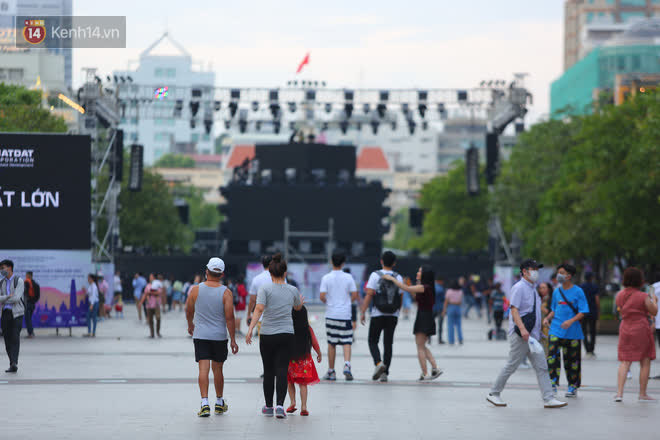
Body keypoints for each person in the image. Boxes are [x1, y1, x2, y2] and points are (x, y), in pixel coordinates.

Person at [487, 259, 567, 409]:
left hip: (532, 336)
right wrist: (523, 330)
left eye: (537, 269)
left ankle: (548, 398)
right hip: (521, 335)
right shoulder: (519, 288)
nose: (536, 272)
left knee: (542, 367)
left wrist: (538, 333)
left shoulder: (532, 288)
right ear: (524, 271)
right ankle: (494, 393)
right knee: (512, 365)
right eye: (533, 269)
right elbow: (514, 309)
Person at [246, 253, 304, 419]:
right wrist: (299, 302)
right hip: (286, 334)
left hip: (267, 334)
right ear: (285, 273)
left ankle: (269, 406)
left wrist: (250, 329)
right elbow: (298, 307)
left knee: (269, 370)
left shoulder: (265, 288)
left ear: (270, 274)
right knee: (282, 370)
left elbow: (259, 309)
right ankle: (280, 406)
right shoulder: (293, 289)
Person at [186, 257, 239, 417]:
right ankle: (219, 402)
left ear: (206, 271)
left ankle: (204, 403)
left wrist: (190, 325)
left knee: (203, 368)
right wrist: (233, 340)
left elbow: (189, 310)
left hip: (201, 335)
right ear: (222, 274)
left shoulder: (195, 290)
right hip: (219, 336)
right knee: (218, 370)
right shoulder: (226, 292)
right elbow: (230, 317)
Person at [384, 266, 443, 381]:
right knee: (422, 345)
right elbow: (415, 296)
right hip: (426, 316)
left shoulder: (424, 287)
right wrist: (413, 284)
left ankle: (425, 373)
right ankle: (435, 368)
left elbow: (405, 288)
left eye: (419, 271)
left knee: (420, 347)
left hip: (423, 317)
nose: (417, 272)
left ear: (424, 274)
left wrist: (392, 279)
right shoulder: (426, 287)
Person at [542, 264, 589, 398]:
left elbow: (583, 311)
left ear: (569, 276)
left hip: (572, 331)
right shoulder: (557, 291)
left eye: (562, 273)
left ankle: (572, 385)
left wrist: (570, 321)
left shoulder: (578, 291)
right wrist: (547, 318)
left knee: (572, 360)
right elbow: (554, 309)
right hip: (556, 329)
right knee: (552, 357)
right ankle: (552, 383)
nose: (559, 275)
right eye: (558, 273)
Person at [614, 267, 657, 402]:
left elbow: (620, 311)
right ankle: (642, 393)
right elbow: (654, 311)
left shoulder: (619, 295)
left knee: (625, 361)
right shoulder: (643, 296)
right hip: (641, 328)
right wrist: (654, 300)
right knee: (645, 360)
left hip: (625, 327)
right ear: (640, 280)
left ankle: (619, 393)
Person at [360, 251, 403, 383]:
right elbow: (401, 296)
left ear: (381, 261)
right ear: (394, 263)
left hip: (377, 313)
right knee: (388, 343)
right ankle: (385, 373)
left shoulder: (375, 275)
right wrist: (397, 311)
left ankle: (378, 363)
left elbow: (369, 294)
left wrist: (362, 311)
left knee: (372, 340)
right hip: (392, 315)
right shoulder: (398, 277)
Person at [320, 251, 358, 381]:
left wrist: (330, 303)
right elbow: (354, 295)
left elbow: (322, 296)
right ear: (343, 263)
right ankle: (347, 365)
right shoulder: (349, 277)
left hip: (331, 314)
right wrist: (346, 303)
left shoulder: (326, 278)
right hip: (345, 314)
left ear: (331, 261)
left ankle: (331, 371)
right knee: (347, 341)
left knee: (332, 343)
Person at [286, 306, 322, 416]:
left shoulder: (288, 327)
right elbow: (314, 342)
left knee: (290, 382)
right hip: (304, 360)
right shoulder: (307, 328)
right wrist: (319, 353)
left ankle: (292, 402)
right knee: (303, 384)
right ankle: (304, 406)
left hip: (291, 359)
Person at [0, 260, 25, 373]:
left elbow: (16, 298)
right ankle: (12, 362)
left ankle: (14, 363)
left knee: (15, 337)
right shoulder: (1, 283)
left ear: (10, 268)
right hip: (5, 313)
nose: (1, 270)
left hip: (17, 313)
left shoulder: (18, 281)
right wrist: (6, 297)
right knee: (7, 339)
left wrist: (4, 298)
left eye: (3, 268)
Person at [247, 254, 274, 334]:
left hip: (262, 318)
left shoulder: (256, 279)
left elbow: (252, 300)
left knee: (263, 344)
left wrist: (249, 314)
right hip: (277, 318)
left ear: (262, 264)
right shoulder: (279, 278)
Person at [580, 272, 600, 358]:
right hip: (593, 311)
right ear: (591, 277)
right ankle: (592, 349)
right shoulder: (594, 286)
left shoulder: (581, 287)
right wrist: (598, 309)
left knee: (583, 331)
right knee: (592, 331)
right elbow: (597, 299)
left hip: (583, 312)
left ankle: (587, 349)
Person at [140, 274, 162, 338]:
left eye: (151, 277)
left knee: (158, 318)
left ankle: (158, 332)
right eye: (150, 277)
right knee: (150, 320)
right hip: (149, 305)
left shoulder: (158, 284)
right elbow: (145, 294)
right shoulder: (148, 286)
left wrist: (149, 293)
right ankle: (152, 334)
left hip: (156, 305)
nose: (150, 278)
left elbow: (158, 292)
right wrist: (141, 302)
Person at [442, 280, 464, 345]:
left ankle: (451, 340)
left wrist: (444, 310)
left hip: (451, 307)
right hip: (458, 308)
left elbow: (446, 301)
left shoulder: (449, 291)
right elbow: (461, 302)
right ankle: (460, 339)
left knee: (450, 325)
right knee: (459, 325)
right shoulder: (460, 291)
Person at [538, 282, 554, 356]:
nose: (541, 290)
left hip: (547, 326)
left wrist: (540, 306)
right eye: (540, 288)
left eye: (544, 288)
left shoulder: (550, 299)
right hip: (538, 326)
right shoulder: (539, 298)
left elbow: (550, 312)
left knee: (547, 346)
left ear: (548, 289)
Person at [23, 271, 40, 338]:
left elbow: (24, 293)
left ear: (28, 275)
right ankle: (31, 332)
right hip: (33, 304)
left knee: (28, 319)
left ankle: (30, 333)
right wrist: (34, 301)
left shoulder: (26, 283)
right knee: (29, 318)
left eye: (26, 275)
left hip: (28, 303)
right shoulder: (36, 284)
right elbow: (38, 296)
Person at [83, 273, 100, 338]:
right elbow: (88, 293)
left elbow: (93, 296)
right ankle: (91, 332)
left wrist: (92, 305)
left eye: (88, 278)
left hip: (94, 303)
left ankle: (92, 332)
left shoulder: (94, 286)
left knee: (92, 317)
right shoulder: (91, 286)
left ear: (91, 279)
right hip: (92, 303)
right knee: (91, 317)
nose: (87, 279)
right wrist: (85, 291)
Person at [433, 277, 446, 344]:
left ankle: (429, 339)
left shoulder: (431, 287)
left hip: (432, 308)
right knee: (440, 325)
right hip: (440, 309)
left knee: (431, 324)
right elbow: (444, 299)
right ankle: (440, 339)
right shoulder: (441, 289)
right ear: (440, 281)